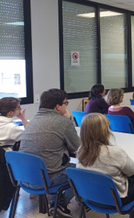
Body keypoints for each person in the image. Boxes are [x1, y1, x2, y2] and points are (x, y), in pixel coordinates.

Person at [19, 89, 80, 218]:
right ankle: (58, 204)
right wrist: (69, 119)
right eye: (65, 103)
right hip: (47, 179)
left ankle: (57, 204)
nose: (66, 106)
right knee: (83, 171)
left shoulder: (33, 121)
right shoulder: (63, 123)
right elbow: (77, 147)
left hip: (24, 177)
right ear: (58, 106)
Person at [77, 113, 134, 205]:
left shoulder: (80, 151)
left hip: (91, 197)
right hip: (115, 199)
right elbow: (132, 172)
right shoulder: (114, 152)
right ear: (104, 131)